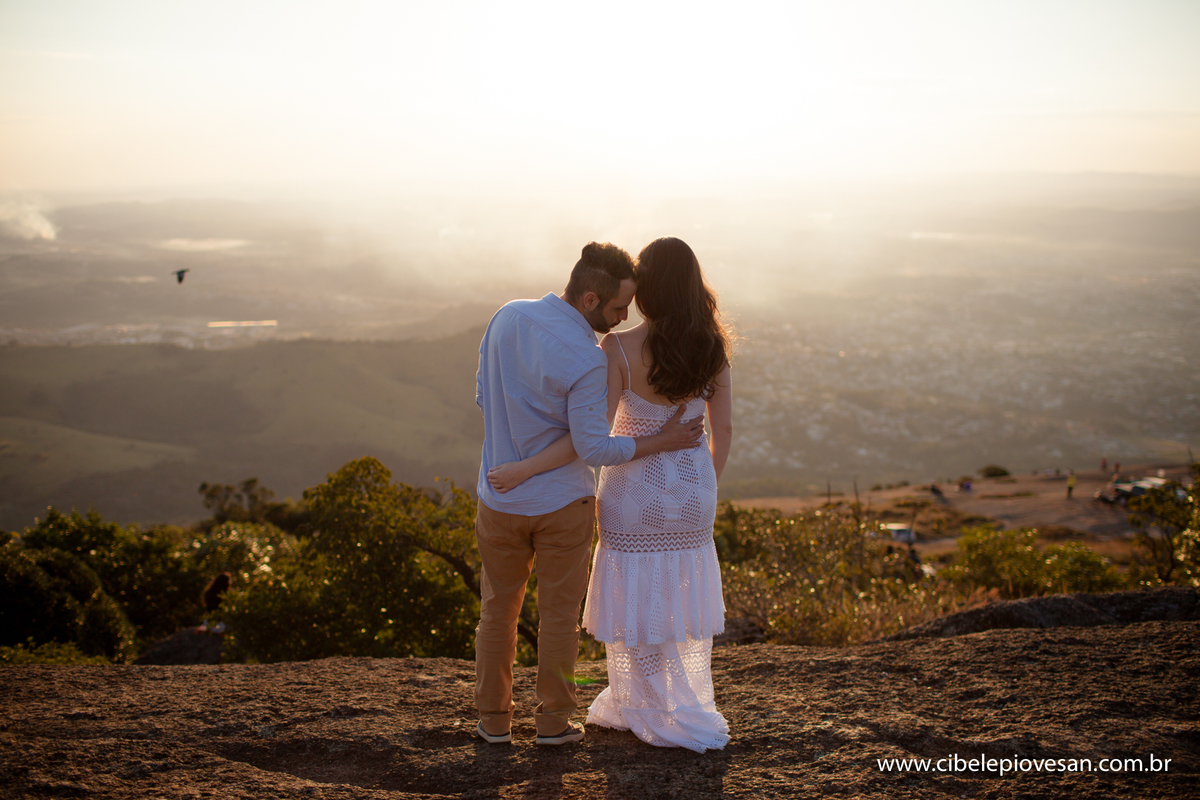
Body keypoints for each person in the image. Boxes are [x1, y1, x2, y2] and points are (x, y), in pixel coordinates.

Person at [488, 237, 732, 753]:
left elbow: (592, 439)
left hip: (629, 495)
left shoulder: (614, 349)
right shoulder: (713, 348)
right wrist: (700, 485)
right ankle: (675, 702)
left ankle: (638, 702)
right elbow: (723, 431)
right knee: (673, 598)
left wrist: (522, 466)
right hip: (691, 491)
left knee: (635, 597)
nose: (625, 311)